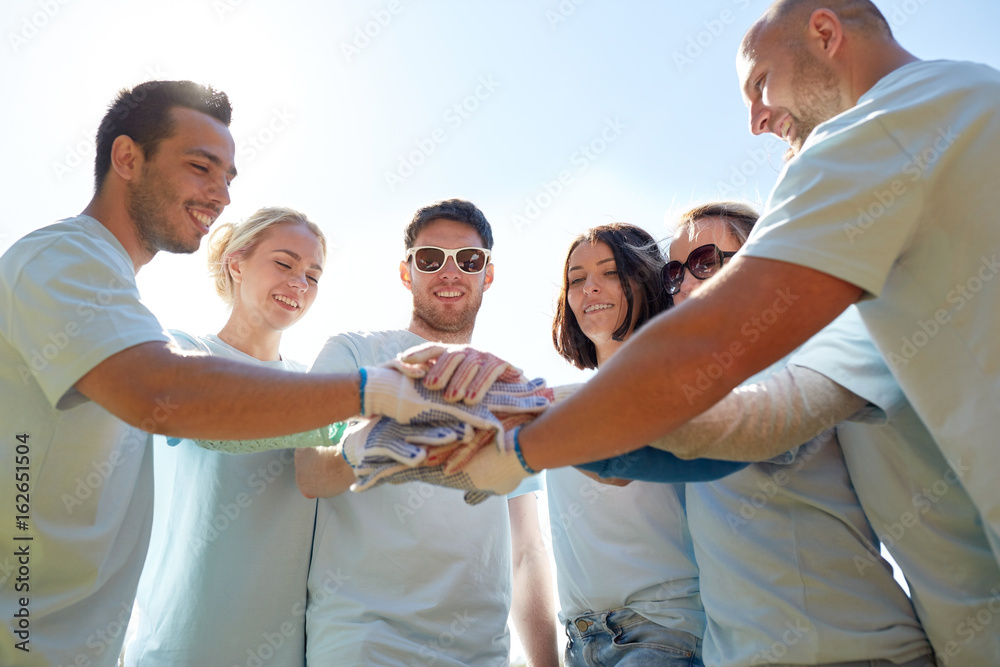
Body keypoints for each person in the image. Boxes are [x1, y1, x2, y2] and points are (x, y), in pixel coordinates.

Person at [415, 0, 1000, 563]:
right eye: (677, 271)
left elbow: (718, 359)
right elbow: (745, 425)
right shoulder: (971, 96)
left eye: (761, 84)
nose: (756, 121)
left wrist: (523, 446)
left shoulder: (870, 132)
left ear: (825, 35)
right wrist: (578, 434)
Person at [0, 80, 491, 666]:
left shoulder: (138, 310)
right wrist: (372, 392)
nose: (220, 195)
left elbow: (326, 461)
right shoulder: (70, 263)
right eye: (201, 167)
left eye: (228, 178)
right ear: (127, 157)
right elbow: (168, 394)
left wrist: (436, 455)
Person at [294, 199, 559, 666]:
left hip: (482, 653)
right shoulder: (354, 351)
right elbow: (309, 473)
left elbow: (528, 551)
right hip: (364, 643)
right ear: (406, 272)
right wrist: (368, 443)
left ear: (487, 276)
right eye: (431, 258)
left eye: (469, 260)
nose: (450, 273)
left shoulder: (505, 384)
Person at [123, 207, 326, 665]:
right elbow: (212, 416)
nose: (300, 283)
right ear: (237, 262)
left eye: (313, 275)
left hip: (287, 652)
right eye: (285, 263)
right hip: (181, 643)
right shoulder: (184, 351)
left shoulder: (316, 383)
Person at [546, 223, 705, 665]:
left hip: (661, 635)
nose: (590, 287)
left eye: (610, 272)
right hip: (579, 643)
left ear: (646, 280)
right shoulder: (558, 402)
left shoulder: (681, 385)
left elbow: (617, 459)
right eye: (576, 279)